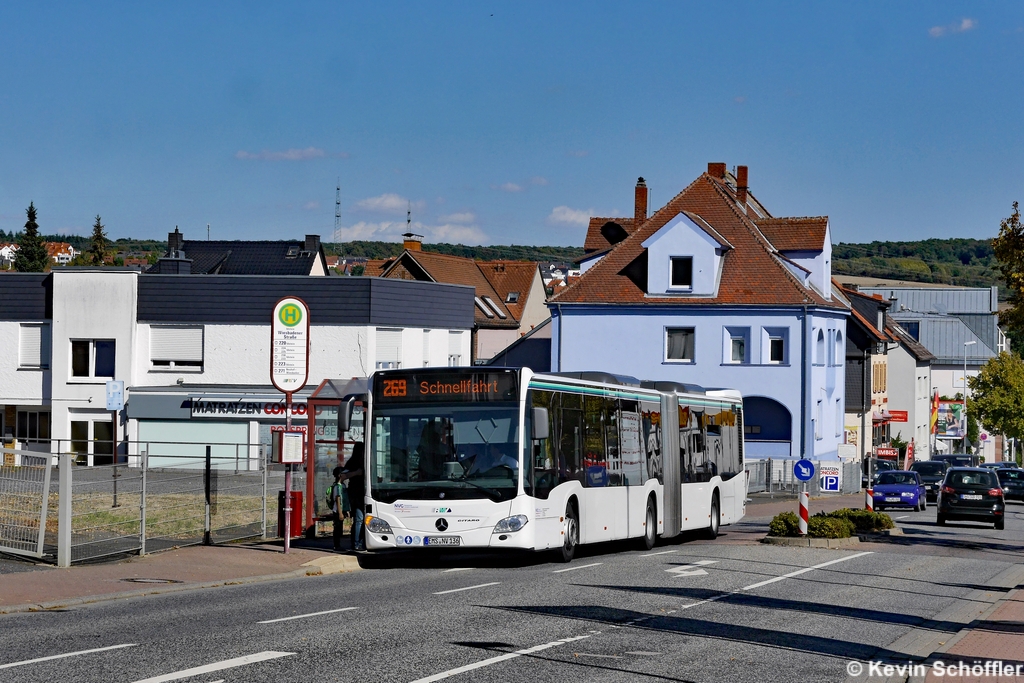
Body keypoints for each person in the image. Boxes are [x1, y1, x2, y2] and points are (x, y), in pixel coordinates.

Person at [339, 443, 366, 551]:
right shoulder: (353, 462)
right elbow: (342, 477)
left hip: (365, 493)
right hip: (356, 493)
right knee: (359, 519)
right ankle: (356, 543)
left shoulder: (365, 459)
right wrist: (357, 473)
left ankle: (361, 542)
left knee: (363, 519)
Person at [327, 466, 349, 551]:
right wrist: (340, 513)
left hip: (342, 510)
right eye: (344, 474)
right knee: (337, 529)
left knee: (339, 529)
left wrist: (346, 510)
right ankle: (336, 546)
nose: (346, 475)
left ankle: (338, 545)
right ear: (340, 475)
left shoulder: (342, 485)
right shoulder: (337, 486)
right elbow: (337, 499)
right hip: (337, 511)